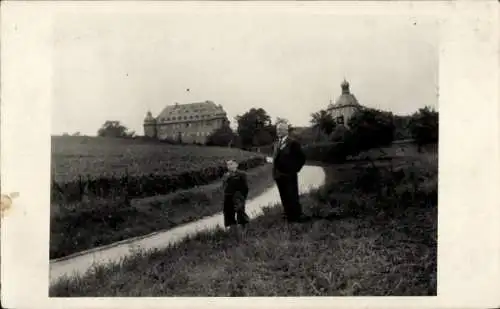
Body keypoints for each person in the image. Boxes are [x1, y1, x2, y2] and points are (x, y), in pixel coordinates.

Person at [272, 122, 308, 223]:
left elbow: (302, 158)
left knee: (292, 196)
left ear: (286, 130)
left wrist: (294, 170)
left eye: (280, 129)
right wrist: (274, 174)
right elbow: (275, 160)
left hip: (289, 176)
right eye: (277, 129)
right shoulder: (276, 144)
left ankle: (297, 217)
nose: (278, 131)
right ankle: (288, 215)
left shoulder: (293, 143)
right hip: (279, 176)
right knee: (284, 196)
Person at [222, 160, 250, 229]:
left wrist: (243, 197)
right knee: (228, 213)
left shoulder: (241, 174)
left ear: (236, 165)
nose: (229, 166)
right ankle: (232, 229)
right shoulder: (226, 175)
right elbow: (224, 186)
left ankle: (244, 227)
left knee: (240, 211)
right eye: (228, 165)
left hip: (238, 196)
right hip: (228, 196)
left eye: (231, 164)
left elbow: (245, 187)